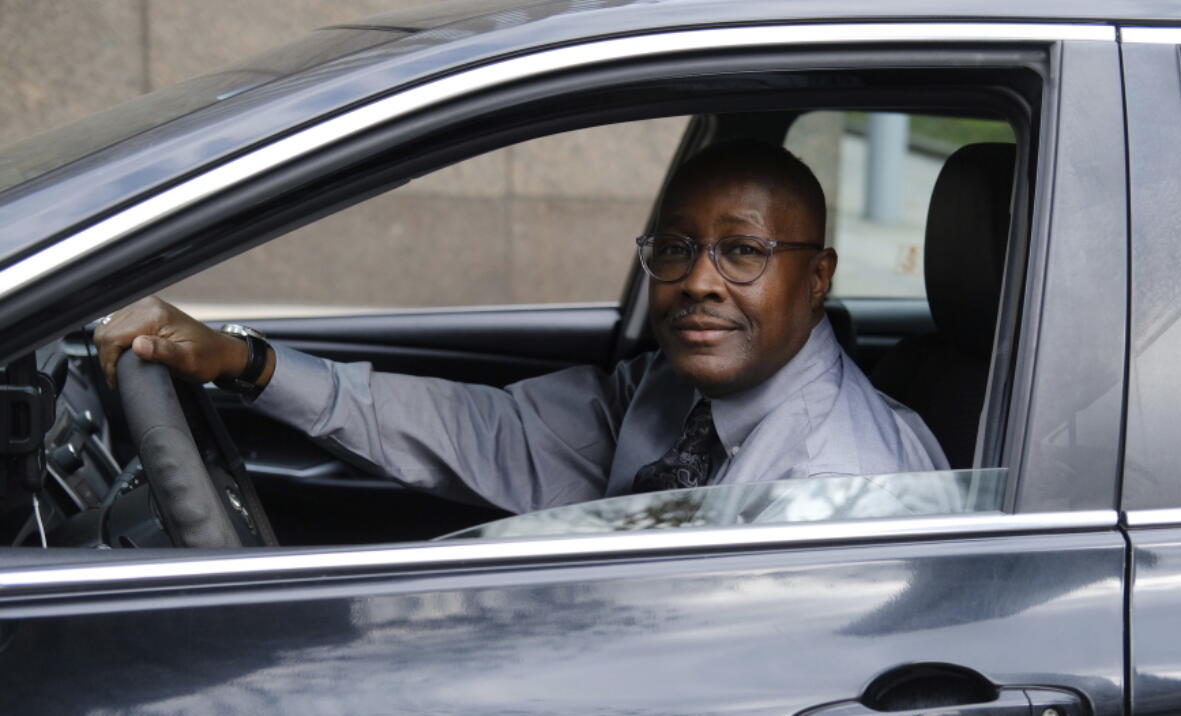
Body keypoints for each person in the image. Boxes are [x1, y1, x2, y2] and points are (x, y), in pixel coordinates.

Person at [95, 140, 948, 515]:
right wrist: (247, 361)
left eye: (741, 253)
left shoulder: (840, 486)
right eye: (678, 248)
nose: (697, 282)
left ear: (820, 276)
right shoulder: (670, 388)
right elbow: (490, 431)